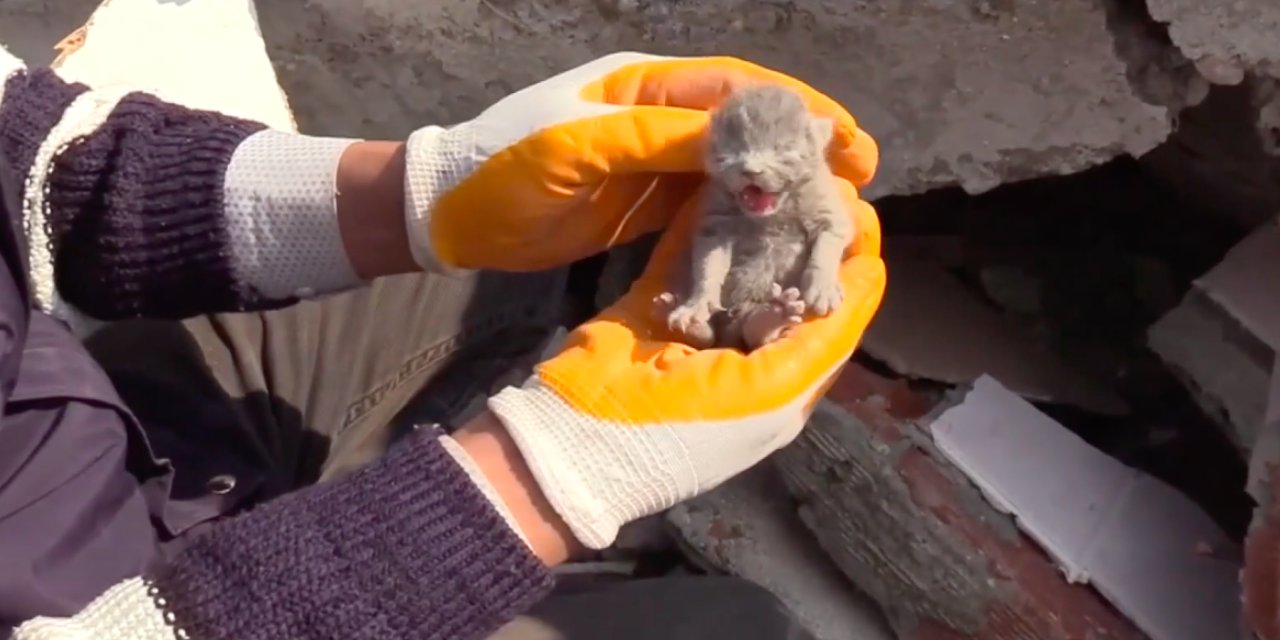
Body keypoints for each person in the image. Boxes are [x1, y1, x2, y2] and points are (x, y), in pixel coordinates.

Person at [0, 43, 886, 640]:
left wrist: (407, 198)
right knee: (728, 625)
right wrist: (532, 486)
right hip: (106, 605)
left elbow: (22, 151)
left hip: (63, 431)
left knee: (497, 267)